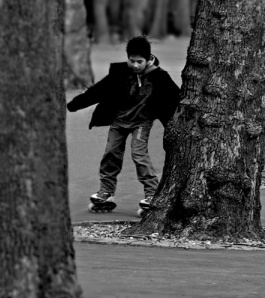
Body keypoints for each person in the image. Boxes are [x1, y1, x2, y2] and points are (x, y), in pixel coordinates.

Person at [67, 35, 180, 211]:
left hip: (141, 123)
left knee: (139, 155)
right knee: (110, 154)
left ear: (149, 59)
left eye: (139, 61)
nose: (135, 65)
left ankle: (152, 194)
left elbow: (176, 98)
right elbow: (99, 90)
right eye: (131, 60)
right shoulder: (120, 73)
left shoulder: (160, 77)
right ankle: (106, 192)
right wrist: (75, 104)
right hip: (119, 122)